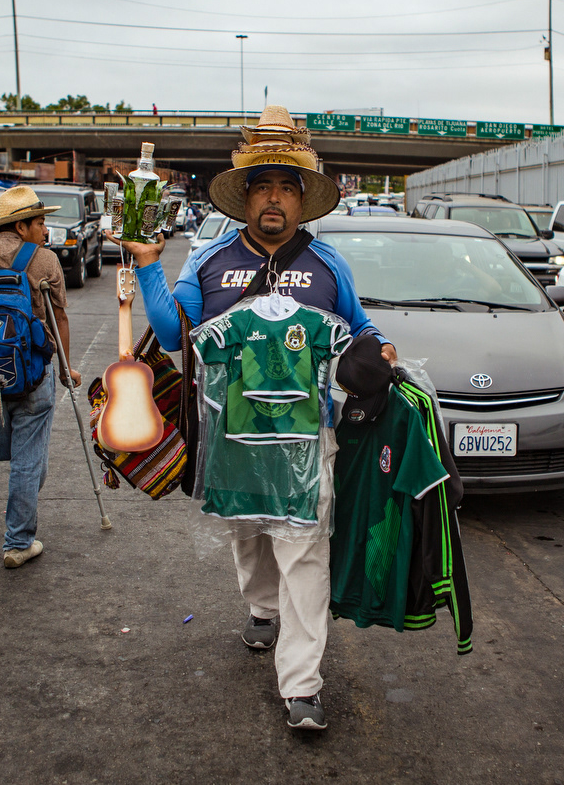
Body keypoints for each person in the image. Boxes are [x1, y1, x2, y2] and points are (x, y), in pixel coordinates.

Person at [113, 106, 396, 730]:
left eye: (286, 188)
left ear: (303, 200)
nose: (274, 199)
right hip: (231, 438)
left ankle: (301, 686)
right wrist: (148, 263)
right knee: (250, 537)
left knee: (304, 552)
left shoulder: (328, 267)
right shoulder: (211, 262)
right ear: (245, 196)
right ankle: (262, 608)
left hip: (306, 439)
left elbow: (363, 330)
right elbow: (171, 331)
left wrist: (380, 354)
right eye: (263, 186)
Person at [0, 186, 81, 569]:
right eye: (39, 223)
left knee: (17, 455)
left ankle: (22, 492)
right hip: (35, 378)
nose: (45, 230)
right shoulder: (45, 262)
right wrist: (65, 368)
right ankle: (18, 542)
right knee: (28, 461)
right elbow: (61, 318)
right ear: (20, 226)